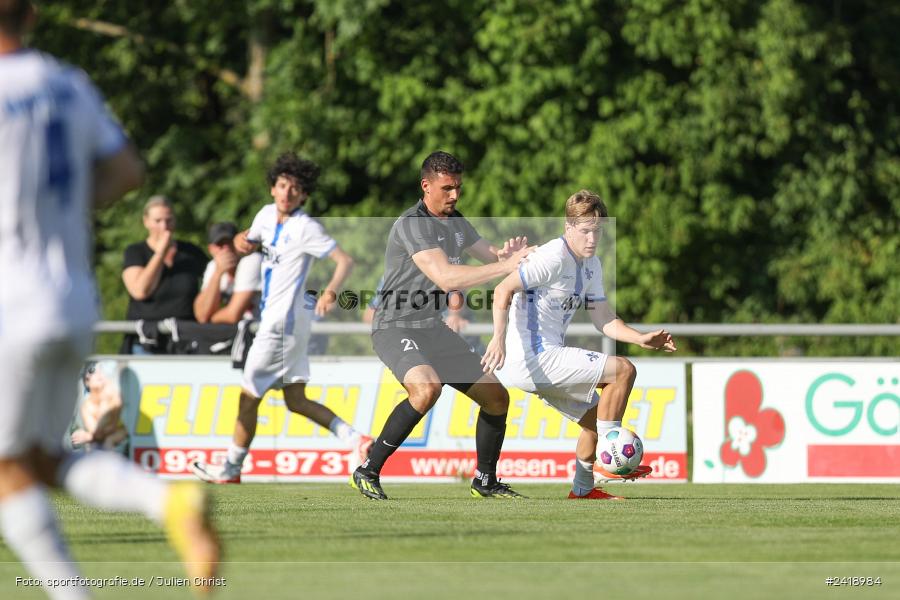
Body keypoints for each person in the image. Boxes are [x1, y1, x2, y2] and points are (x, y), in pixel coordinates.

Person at [0, 2, 219, 598]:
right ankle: (170, 498)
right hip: (71, 297)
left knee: (9, 472)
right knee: (43, 459)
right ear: (33, 16)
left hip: (10, 301)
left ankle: (78, 589)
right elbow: (126, 170)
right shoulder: (69, 84)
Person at [351, 150, 533, 500]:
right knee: (426, 389)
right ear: (426, 186)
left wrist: (511, 255)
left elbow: (490, 254)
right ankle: (367, 470)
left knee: (496, 398)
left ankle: (485, 480)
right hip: (395, 326)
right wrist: (505, 266)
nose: (454, 195)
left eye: (458, 188)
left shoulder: (457, 223)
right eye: (447, 188)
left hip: (431, 328)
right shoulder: (413, 224)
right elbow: (446, 276)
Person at [481, 190, 677, 500]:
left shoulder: (591, 265)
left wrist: (640, 337)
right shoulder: (552, 256)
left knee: (598, 418)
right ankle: (608, 459)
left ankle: (583, 489)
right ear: (568, 227)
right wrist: (497, 338)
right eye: (585, 230)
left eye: (597, 231)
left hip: (541, 362)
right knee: (623, 370)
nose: (592, 238)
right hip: (534, 357)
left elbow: (603, 318)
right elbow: (503, 289)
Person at [191, 152, 372, 484]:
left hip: (281, 326)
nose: (288, 192)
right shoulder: (264, 216)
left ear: (303, 195)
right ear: (273, 188)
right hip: (283, 323)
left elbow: (344, 261)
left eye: (295, 188)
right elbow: (244, 239)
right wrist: (239, 243)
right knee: (295, 399)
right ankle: (355, 439)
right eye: (282, 185)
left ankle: (231, 468)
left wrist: (331, 291)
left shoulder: (306, 227)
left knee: (248, 395)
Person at [121, 195, 207, 353]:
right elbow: (140, 291)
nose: (164, 226)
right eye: (158, 221)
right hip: (145, 341)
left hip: (185, 340)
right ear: (146, 221)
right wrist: (160, 253)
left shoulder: (191, 252)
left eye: (169, 220)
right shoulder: (135, 252)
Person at [193, 221, 262, 324]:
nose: (226, 248)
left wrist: (210, 319)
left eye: (230, 242)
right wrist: (218, 274)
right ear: (211, 249)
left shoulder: (251, 261)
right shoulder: (214, 266)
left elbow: (232, 316)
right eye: (220, 244)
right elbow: (201, 313)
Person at [69, 361, 128, 453]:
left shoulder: (115, 397)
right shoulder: (86, 405)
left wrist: (89, 436)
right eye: (92, 372)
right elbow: (96, 431)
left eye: (100, 371)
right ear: (86, 381)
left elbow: (114, 428)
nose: (98, 374)